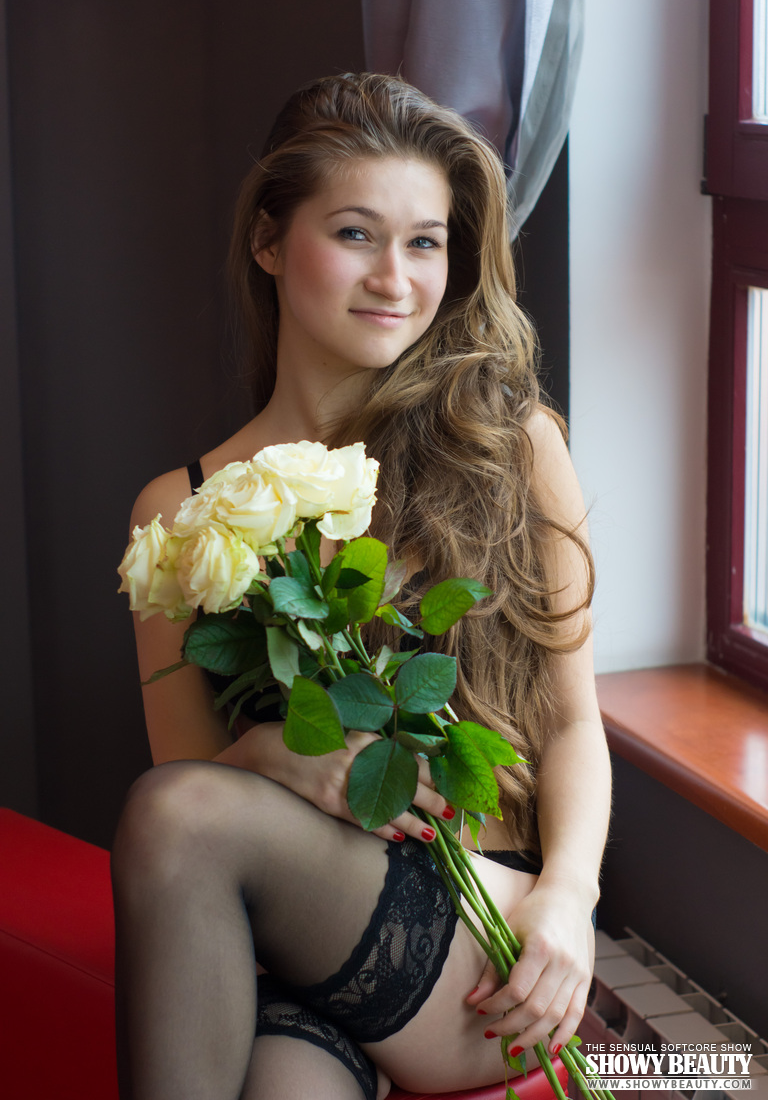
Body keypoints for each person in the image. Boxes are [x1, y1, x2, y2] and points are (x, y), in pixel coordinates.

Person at [112, 71, 611, 1100]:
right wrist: (278, 758)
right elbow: (196, 771)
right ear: (268, 241)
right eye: (355, 234)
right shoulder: (185, 507)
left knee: (176, 813)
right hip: (296, 950)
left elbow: (572, 724)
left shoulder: (512, 447)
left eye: (424, 242)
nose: (395, 277)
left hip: (480, 949)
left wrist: (569, 899)